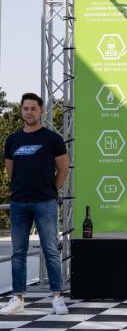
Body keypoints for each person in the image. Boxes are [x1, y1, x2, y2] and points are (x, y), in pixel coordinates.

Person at [1, 93, 69, 315]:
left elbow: (63, 169)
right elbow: (10, 170)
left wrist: (51, 190)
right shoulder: (12, 140)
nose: (29, 112)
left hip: (45, 202)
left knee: (50, 250)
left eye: (33, 108)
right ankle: (17, 298)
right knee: (18, 253)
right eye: (25, 108)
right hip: (19, 203)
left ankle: (57, 297)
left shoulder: (52, 139)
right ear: (21, 111)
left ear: (41, 111)